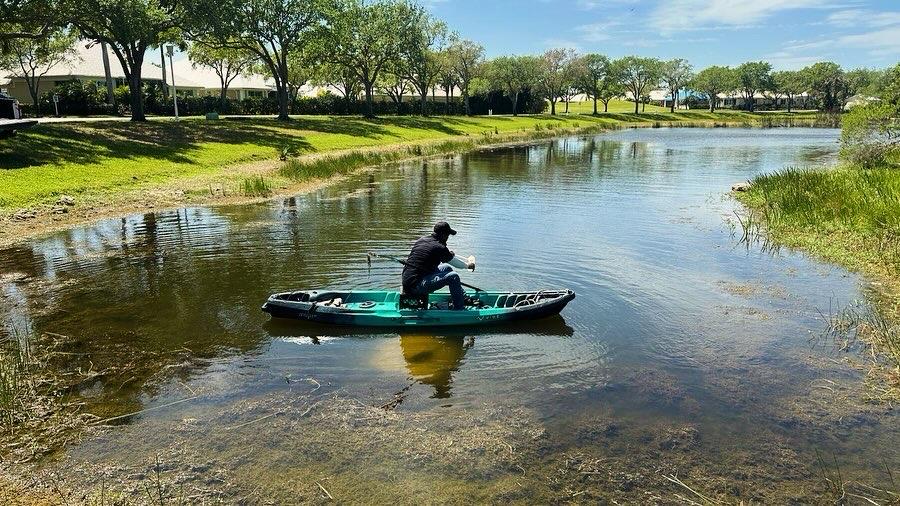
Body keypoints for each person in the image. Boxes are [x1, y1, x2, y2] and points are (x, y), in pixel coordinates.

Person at [402, 221, 474, 310]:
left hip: (409, 280)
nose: (447, 238)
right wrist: (468, 266)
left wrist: (448, 254)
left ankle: (463, 297)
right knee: (453, 277)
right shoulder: (439, 247)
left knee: (447, 268)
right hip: (415, 285)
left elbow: (435, 253)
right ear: (443, 235)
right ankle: (459, 308)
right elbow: (453, 261)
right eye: (447, 235)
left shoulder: (422, 239)